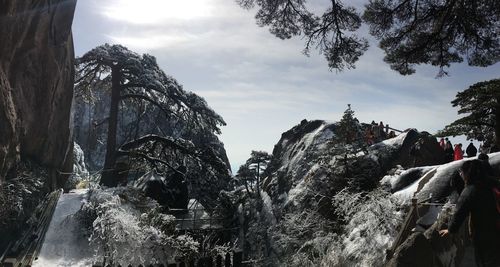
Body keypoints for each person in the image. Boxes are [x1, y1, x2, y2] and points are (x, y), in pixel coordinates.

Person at [439, 160, 500, 266]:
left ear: (468, 172)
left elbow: (460, 212)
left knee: (486, 261)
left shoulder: (470, 189)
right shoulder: (494, 183)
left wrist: (451, 229)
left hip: (484, 234)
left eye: (462, 172)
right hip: (497, 226)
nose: (461, 175)